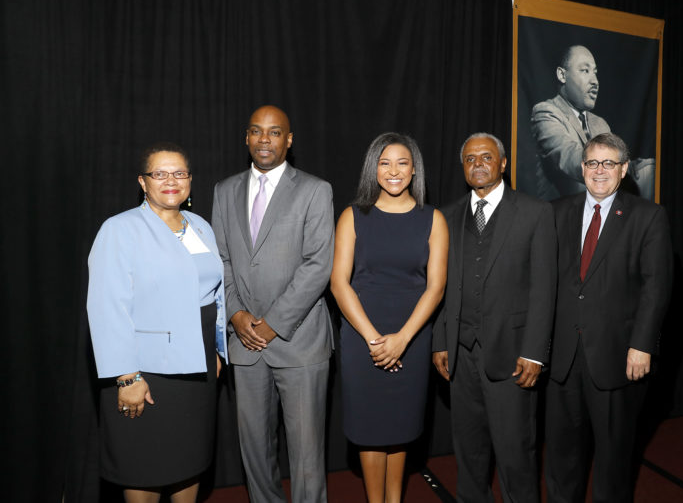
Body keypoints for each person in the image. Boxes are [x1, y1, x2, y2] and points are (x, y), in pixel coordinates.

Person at [87, 142, 228, 503]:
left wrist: (217, 350)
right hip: (146, 371)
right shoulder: (119, 229)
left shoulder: (200, 226)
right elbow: (107, 307)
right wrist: (127, 376)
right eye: (159, 173)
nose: (171, 180)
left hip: (198, 370)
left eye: (179, 173)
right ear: (143, 182)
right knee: (144, 469)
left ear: (190, 180)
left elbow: (215, 294)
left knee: (190, 462)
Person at [211, 105, 334, 503]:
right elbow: (220, 260)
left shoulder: (316, 190)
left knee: (307, 456)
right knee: (254, 453)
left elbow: (318, 265)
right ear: (246, 138)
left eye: (275, 132)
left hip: (299, 344)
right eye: (256, 131)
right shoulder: (224, 190)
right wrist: (236, 314)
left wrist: (272, 323)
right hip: (244, 344)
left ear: (289, 140)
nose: (265, 139)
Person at [545, 132, 673, 503]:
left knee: (613, 462)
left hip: (618, 357)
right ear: (581, 168)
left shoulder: (648, 217)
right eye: (592, 163)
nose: (599, 171)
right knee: (561, 458)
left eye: (608, 163)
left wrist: (642, 345)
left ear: (624, 168)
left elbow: (656, 287)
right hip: (564, 358)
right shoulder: (556, 212)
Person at [432, 133, 557, 502]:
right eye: (470, 159)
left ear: (503, 163)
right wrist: (441, 341)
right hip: (460, 354)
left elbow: (544, 288)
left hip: (514, 355)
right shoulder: (447, 216)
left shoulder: (535, 212)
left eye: (486, 157)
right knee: (469, 454)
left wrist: (535, 352)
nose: (478, 164)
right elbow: (439, 286)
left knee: (516, 453)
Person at [331, 133, 449, 503]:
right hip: (361, 337)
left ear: (414, 170)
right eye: (384, 163)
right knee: (369, 428)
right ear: (373, 169)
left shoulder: (434, 219)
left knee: (401, 426)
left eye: (402, 163)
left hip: (412, 337)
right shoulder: (353, 216)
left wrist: (402, 339)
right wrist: (375, 339)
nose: (393, 171)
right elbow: (339, 283)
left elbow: (436, 288)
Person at [530, 45, 655, 200]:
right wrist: (612, 166)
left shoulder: (600, 124)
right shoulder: (546, 112)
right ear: (562, 75)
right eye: (585, 71)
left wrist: (635, 168)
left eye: (595, 73)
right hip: (561, 216)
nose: (595, 81)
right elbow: (568, 155)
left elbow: (618, 161)